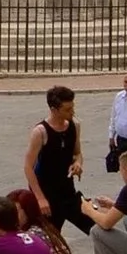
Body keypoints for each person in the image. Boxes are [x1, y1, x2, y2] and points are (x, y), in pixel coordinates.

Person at [22, 85, 94, 233]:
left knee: (95, 230)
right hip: (47, 192)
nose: (72, 112)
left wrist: (78, 163)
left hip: (67, 190)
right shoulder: (40, 132)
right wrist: (40, 198)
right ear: (54, 110)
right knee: (50, 236)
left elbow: (77, 153)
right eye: (67, 109)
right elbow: (28, 167)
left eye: (72, 107)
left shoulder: (75, 125)